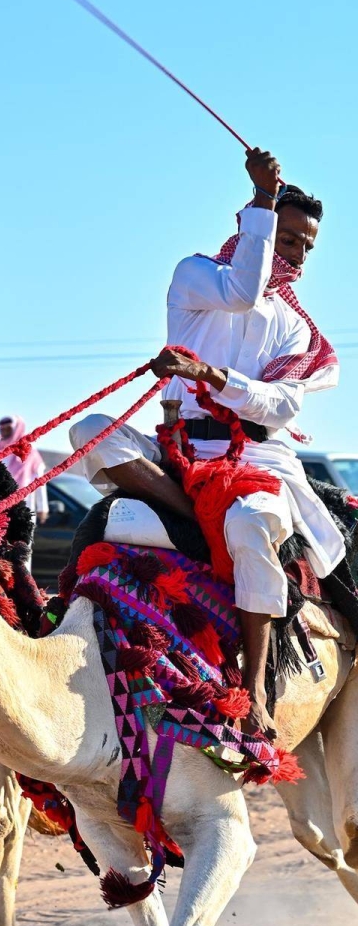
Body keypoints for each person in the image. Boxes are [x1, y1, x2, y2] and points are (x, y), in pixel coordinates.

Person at [70, 146, 342, 738]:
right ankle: (195, 513)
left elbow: (281, 405)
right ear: (254, 229)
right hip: (181, 451)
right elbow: (242, 289)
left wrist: (214, 378)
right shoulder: (195, 275)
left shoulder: (295, 327)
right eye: (286, 238)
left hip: (255, 458)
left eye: (305, 246)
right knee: (89, 432)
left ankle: (256, 689)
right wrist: (263, 199)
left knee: (251, 523)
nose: (296, 255)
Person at [0, 416, 49, 525]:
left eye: (8, 428)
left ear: (16, 428)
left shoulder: (29, 451)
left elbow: (40, 480)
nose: (5, 431)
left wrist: (42, 507)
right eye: (2, 429)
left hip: (23, 503)